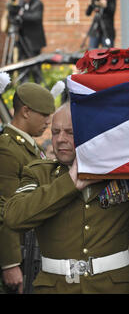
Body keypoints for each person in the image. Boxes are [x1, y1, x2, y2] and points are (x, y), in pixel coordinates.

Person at [2, 103, 129, 293]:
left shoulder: (124, 175)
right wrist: (69, 183)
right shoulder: (39, 174)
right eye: (55, 132)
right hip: (56, 287)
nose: (60, 139)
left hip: (113, 287)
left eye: (70, 132)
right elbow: (13, 216)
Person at [0, 82, 54, 294]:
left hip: (31, 250)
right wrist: (10, 263)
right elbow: (5, 208)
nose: (48, 121)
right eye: (44, 115)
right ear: (25, 111)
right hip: (17, 253)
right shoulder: (7, 149)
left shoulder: (31, 147)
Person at [17, 0, 46, 84]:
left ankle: (38, 85)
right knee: (22, 63)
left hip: (34, 41)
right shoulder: (21, 2)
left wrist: (22, 14)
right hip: (23, 39)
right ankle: (23, 85)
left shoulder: (37, 3)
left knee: (35, 65)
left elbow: (36, 17)